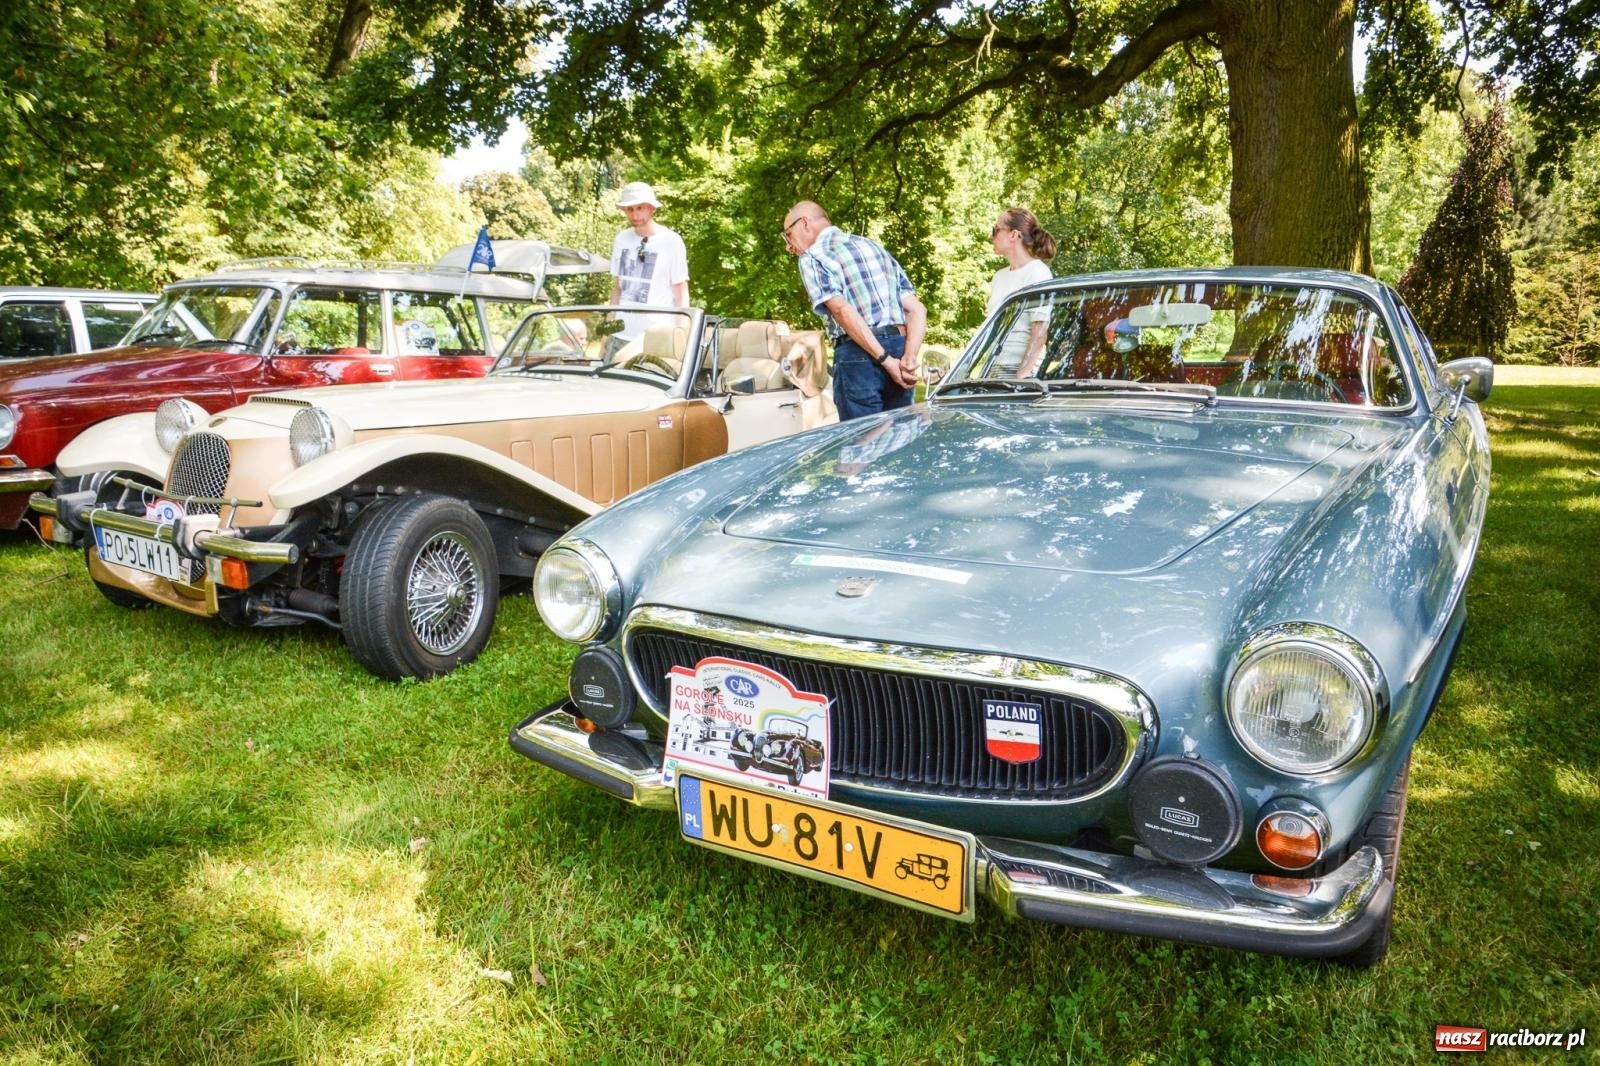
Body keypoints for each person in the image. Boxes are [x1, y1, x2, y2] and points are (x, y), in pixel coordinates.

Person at [782, 200, 926, 420]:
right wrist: (909, 358)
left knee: (862, 447)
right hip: (900, 348)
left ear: (804, 223)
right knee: (901, 445)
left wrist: (885, 360)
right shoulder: (873, 247)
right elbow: (916, 309)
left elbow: (841, 310)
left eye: (788, 235)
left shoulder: (812, 257)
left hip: (859, 356)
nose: (788, 246)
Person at [607, 181, 690, 357]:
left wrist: (681, 336)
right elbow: (617, 288)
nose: (635, 215)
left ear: (652, 208)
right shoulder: (621, 239)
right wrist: (607, 331)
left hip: (655, 338)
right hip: (620, 335)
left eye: (640, 208)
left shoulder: (671, 242)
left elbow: (681, 293)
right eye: (630, 209)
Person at [985, 207, 1056, 378]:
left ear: (1014, 235)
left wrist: (1021, 376)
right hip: (994, 367)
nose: (992, 236)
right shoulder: (999, 276)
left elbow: (1039, 332)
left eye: (996, 230)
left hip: (1021, 370)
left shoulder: (1038, 273)